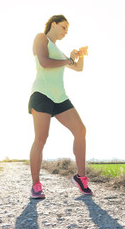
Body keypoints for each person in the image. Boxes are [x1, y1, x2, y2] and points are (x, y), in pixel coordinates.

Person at [28, 15, 92, 198]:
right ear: (53, 24)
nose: (66, 32)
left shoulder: (58, 50)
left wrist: (79, 56)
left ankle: (81, 177)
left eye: (67, 29)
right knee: (41, 138)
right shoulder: (41, 38)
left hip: (60, 97)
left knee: (80, 130)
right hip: (42, 94)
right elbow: (44, 62)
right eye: (63, 27)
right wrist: (68, 60)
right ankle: (36, 185)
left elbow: (78, 68)